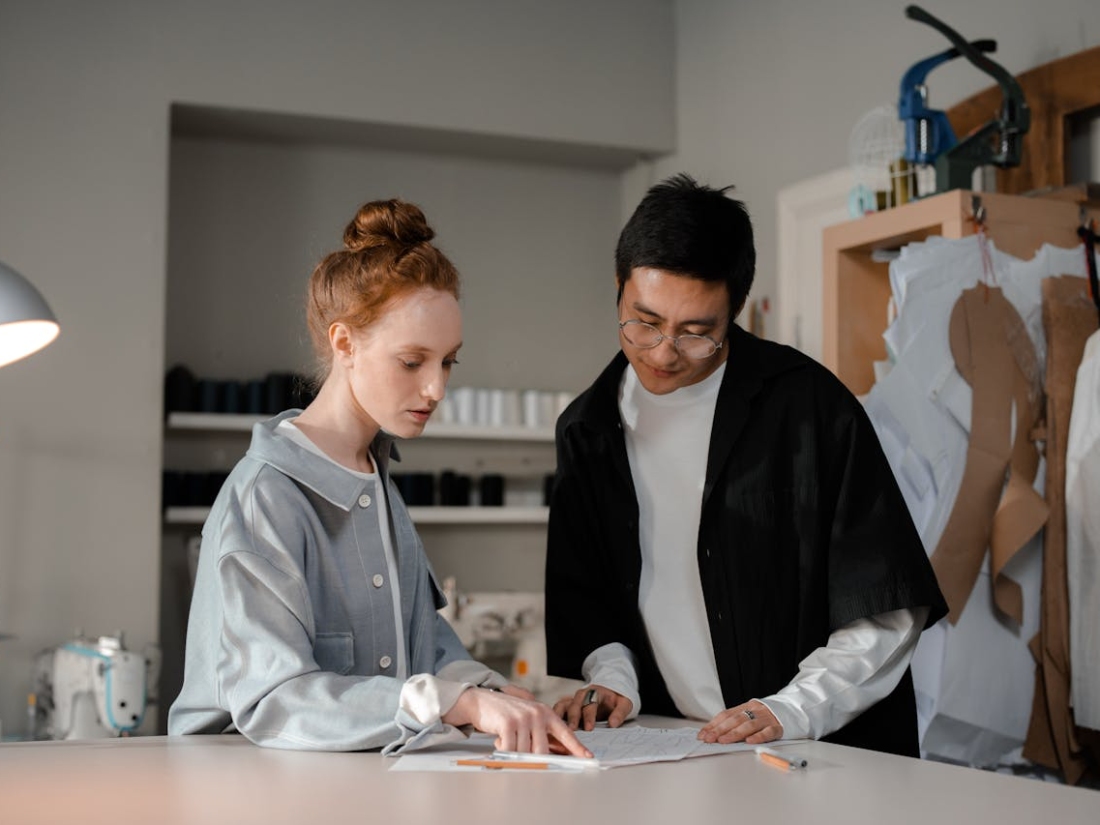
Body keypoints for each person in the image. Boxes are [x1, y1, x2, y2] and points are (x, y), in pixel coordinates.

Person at [169, 198, 590, 757]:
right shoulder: (265, 497)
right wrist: (456, 704)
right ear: (345, 343)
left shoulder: (376, 482)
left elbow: (423, 648)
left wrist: (491, 693)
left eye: (448, 362)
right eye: (412, 362)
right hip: (241, 781)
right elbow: (275, 700)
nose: (436, 388)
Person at [545, 174, 947, 757]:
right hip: (673, 747)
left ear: (735, 312)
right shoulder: (587, 430)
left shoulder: (810, 408)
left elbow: (886, 608)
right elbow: (590, 599)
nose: (663, 352)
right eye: (644, 321)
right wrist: (612, 677)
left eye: (696, 332)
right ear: (619, 286)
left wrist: (792, 708)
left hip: (825, 750)